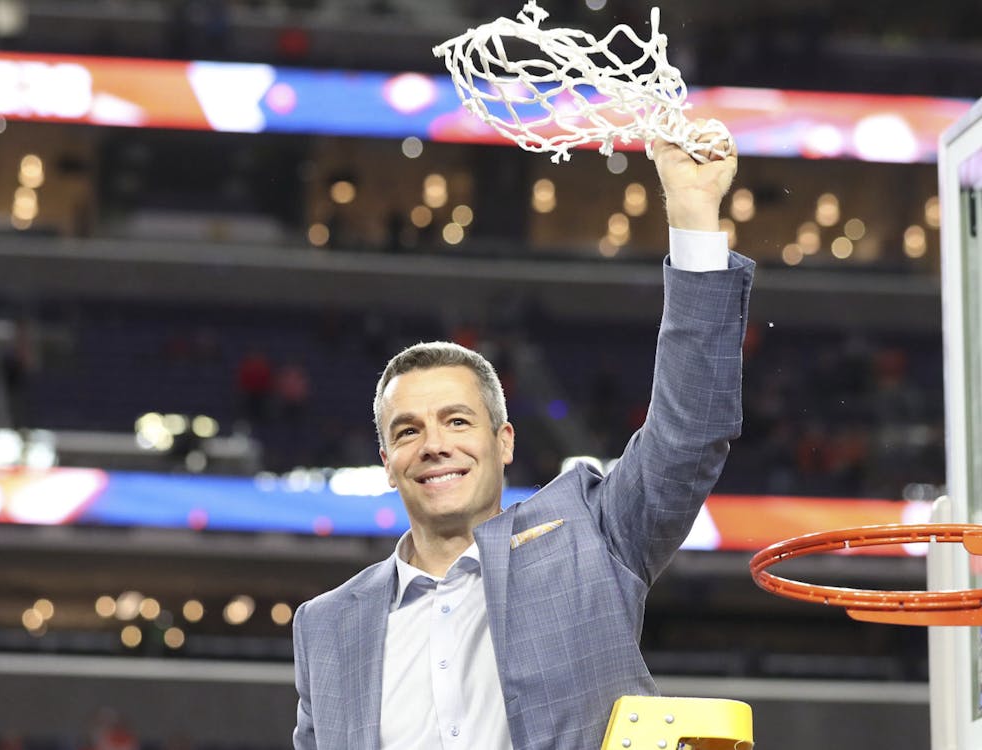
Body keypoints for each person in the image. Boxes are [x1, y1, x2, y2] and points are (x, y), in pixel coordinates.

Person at [292, 129, 753, 750]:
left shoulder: (594, 536)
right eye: (408, 431)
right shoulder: (325, 626)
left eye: (457, 421)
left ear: (504, 440)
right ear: (387, 462)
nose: (434, 445)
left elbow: (690, 433)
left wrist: (695, 215)